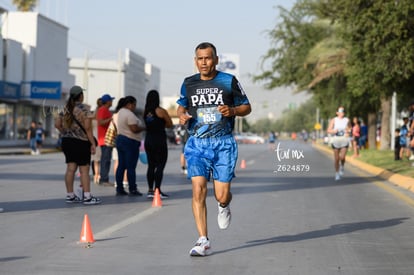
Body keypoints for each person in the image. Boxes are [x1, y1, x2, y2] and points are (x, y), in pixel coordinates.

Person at [176, 42, 251, 256]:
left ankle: (224, 205)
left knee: (221, 194)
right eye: (200, 58)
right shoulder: (188, 83)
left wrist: (233, 110)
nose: (204, 62)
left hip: (223, 144)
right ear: (195, 60)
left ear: (216, 59)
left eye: (208, 58)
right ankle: (203, 240)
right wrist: (181, 114)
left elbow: (247, 107)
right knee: (198, 189)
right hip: (197, 143)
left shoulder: (228, 81)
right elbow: (182, 104)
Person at [54, 85, 101, 205]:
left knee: (70, 169)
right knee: (84, 170)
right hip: (81, 142)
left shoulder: (65, 108)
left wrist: (66, 133)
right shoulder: (85, 109)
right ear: (81, 96)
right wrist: (93, 144)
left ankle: (70, 196)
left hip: (67, 141)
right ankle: (87, 197)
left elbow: (57, 124)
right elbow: (88, 129)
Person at [143, 90, 173, 199]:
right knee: (160, 164)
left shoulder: (145, 112)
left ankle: (150, 190)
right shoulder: (161, 111)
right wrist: (162, 125)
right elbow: (170, 124)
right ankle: (157, 190)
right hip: (159, 139)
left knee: (151, 165)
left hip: (148, 139)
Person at [115, 95, 146, 196]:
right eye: (134, 105)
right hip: (130, 141)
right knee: (131, 167)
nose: (135, 107)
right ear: (129, 104)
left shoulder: (120, 112)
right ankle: (132, 188)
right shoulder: (129, 114)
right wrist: (143, 128)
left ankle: (119, 188)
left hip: (121, 139)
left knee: (121, 166)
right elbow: (134, 129)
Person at [327, 106, 351, 181]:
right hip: (336, 140)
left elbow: (350, 128)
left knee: (342, 157)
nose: (342, 113)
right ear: (337, 112)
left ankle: (342, 166)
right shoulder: (334, 120)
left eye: (343, 111)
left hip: (344, 139)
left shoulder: (347, 120)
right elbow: (328, 130)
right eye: (340, 111)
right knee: (337, 158)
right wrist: (333, 131)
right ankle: (337, 173)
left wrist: (348, 132)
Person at [97, 93, 115, 186]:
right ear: (108, 102)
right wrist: (111, 119)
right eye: (111, 100)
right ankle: (104, 179)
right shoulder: (102, 110)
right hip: (105, 139)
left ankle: (104, 178)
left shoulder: (106, 110)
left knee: (106, 159)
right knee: (105, 160)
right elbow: (101, 122)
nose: (112, 102)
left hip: (108, 139)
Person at [92, 98, 103, 184]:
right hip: (102, 139)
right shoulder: (102, 116)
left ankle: (96, 175)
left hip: (94, 140)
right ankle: (99, 175)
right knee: (102, 159)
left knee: (95, 160)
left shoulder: (92, 118)